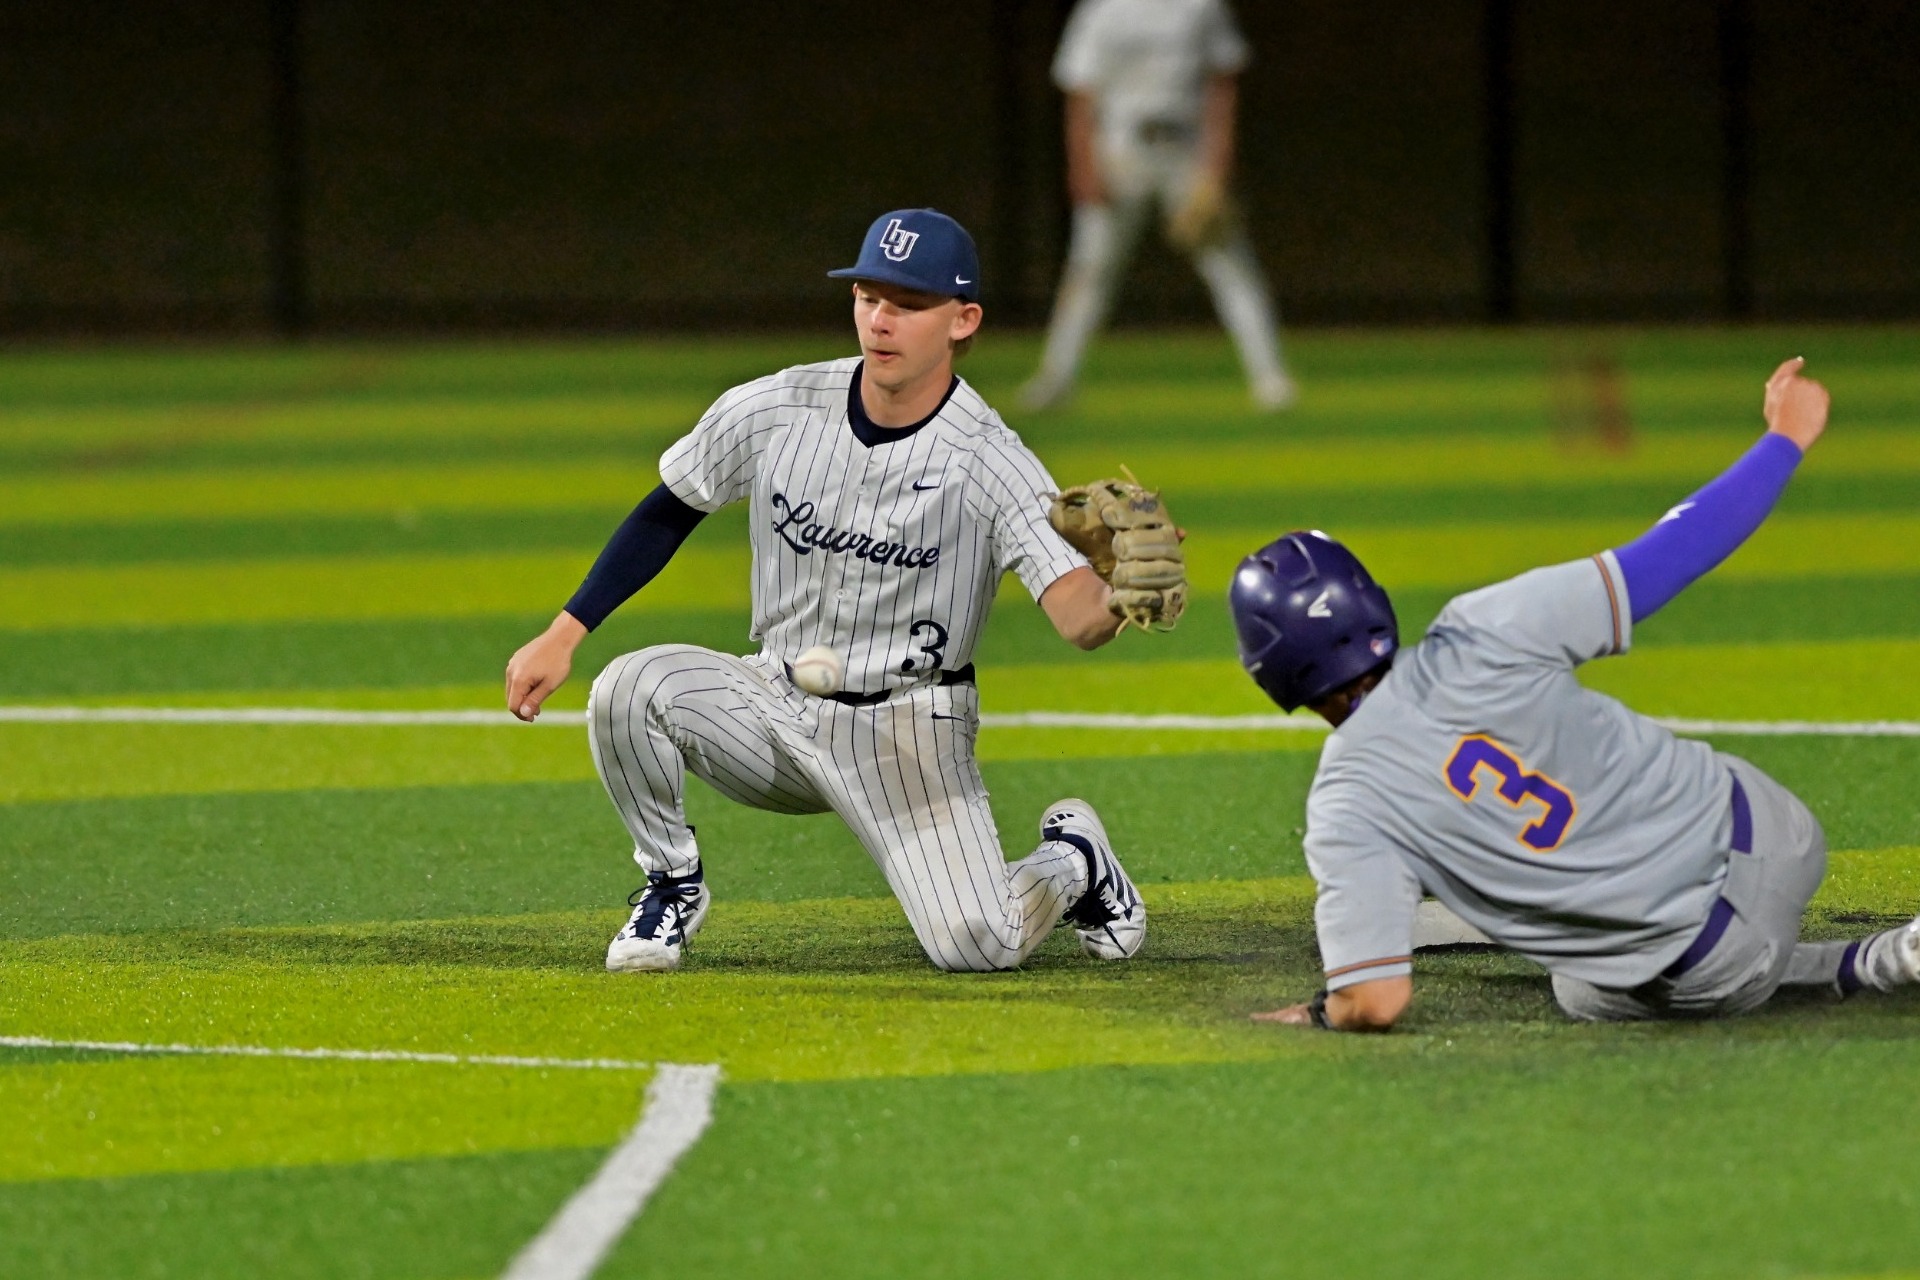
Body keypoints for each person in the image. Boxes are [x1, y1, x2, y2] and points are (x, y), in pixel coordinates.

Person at [503, 208, 1148, 974]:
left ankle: (1073, 860)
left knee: (981, 945)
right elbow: (669, 509)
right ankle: (671, 881)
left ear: (962, 320)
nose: (880, 320)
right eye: (868, 296)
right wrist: (565, 630)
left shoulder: (991, 460)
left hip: (908, 735)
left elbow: (1076, 616)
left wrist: (1120, 596)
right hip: (774, 701)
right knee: (627, 689)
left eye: (907, 305)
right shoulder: (780, 407)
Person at [1226, 358, 1920, 1030]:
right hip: (1778, 833)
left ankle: (1862, 965)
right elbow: (1674, 551)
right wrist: (1784, 440)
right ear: (1370, 601)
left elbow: (1375, 1003)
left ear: (1271, 673)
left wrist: (1326, 1011)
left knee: (1581, 986)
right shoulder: (1481, 629)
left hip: (1716, 967)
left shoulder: (1347, 805)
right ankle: (1884, 957)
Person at [1022, 0, 1294, 413]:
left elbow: (1222, 82)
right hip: (1119, 150)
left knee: (1231, 266)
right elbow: (1080, 94)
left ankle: (1270, 378)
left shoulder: (1200, 6)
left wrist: (1218, 163)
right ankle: (1056, 378)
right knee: (1090, 269)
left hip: (1185, 150)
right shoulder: (1101, 10)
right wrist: (1083, 165)